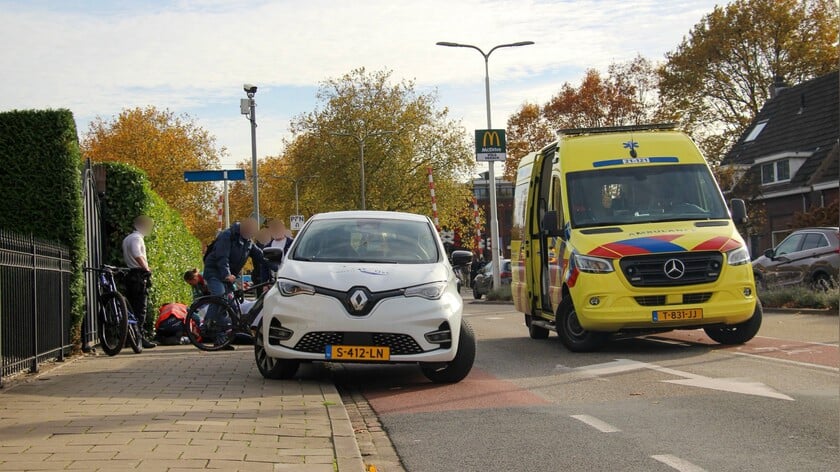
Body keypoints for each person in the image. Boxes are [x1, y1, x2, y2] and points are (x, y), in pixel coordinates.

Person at [202, 218, 268, 349]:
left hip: (228, 275)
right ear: (244, 228)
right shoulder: (227, 235)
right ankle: (207, 324)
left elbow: (260, 256)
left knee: (231, 306)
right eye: (251, 232)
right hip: (215, 272)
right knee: (220, 296)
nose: (252, 235)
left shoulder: (248, 241)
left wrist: (278, 266)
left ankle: (222, 339)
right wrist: (226, 274)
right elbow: (222, 257)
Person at [121, 215, 157, 349]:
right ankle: (138, 338)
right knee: (140, 309)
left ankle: (129, 337)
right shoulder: (137, 238)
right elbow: (137, 254)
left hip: (130, 274)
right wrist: (146, 268)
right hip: (138, 275)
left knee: (131, 308)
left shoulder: (127, 238)